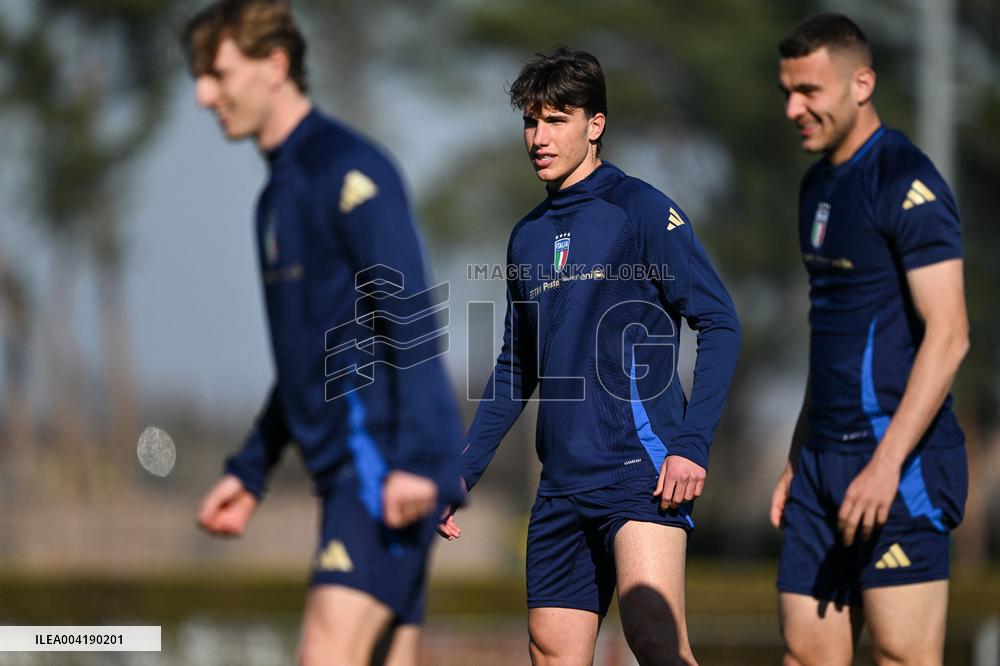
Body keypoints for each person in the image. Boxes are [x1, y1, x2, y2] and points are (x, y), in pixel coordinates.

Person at [439, 47, 741, 665]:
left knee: (654, 638)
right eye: (531, 121)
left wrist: (690, 444)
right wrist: (463, 471)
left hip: (640, 470)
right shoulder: (526, 236)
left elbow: (720, 321)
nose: (538, 137)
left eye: (556, 120)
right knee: (551, 650)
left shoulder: (642, 210)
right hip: (560, 484)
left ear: (594, 125)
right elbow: (516, 367)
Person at [181, 2, 462, 665]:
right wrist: (253, 468)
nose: (202, 95)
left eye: (217, 73)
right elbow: (309, 358)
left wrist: (420, 459)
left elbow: (409, 313)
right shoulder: (275, 200)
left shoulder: (351, 171)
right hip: (352, 478)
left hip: (384, 471)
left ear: (274, 65)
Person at [770, 13, 969, 666]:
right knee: (805, 655)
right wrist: (800, 456)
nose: (795, 108)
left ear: (862, 83)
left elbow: (951, 335)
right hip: (821, 467)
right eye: (787, 93)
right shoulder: (815, 185)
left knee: (901, 655)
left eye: (811, 92)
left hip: (898, 464)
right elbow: (830, 336)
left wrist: (885, 465)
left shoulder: (906, 181)